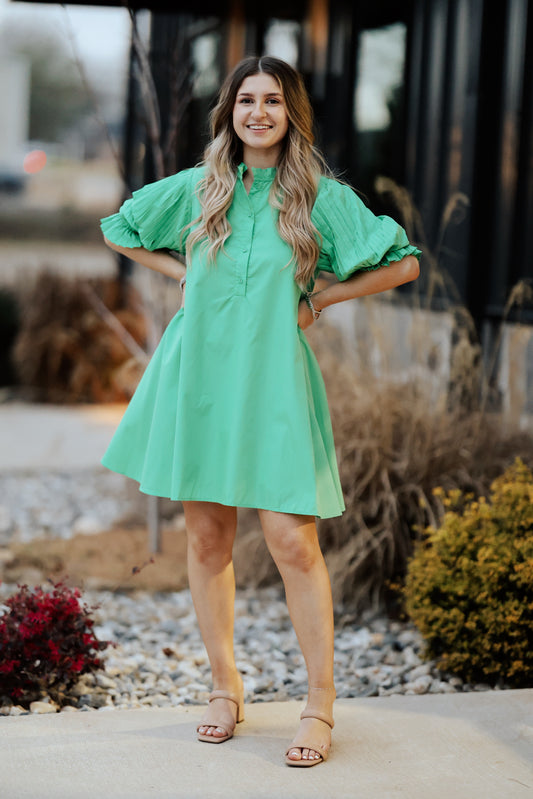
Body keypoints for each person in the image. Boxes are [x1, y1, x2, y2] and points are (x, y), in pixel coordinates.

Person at [100, 54, 421, 767]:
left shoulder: (317, 196)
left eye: (272, 100)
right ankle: (224, 687)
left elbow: (402, 264)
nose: (257, 112)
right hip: (202, 377)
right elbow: (119, 229)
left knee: (290, 540)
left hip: (275, 379)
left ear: (289, 112)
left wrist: (323, 297)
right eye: (246, 99)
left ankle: (319, 703)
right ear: (231, 112)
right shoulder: (199, 187)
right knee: (208, 539)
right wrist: (181, 272)